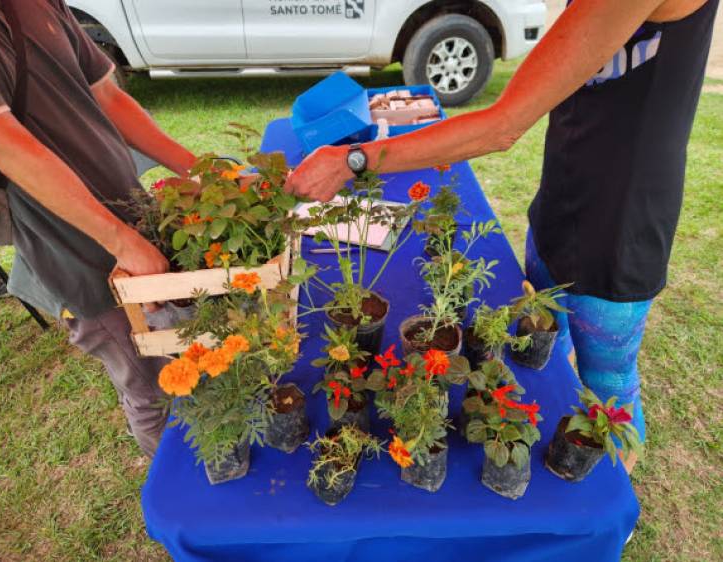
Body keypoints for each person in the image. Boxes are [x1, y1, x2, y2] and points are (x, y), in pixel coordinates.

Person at [286, 0, 719, 470]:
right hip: (563, 202)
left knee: (609, 383)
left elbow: (502, 127)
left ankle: (612, 504)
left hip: (621, 228)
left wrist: (354, 160)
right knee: (554, 358)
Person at [0, 0, 198, 456]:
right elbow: (6, 144)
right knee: (147, 382)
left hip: (130, 216)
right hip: (70, 249)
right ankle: (185, 494)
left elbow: (108, 95)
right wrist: (122, 240)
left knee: (178, 351)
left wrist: (202, 170)